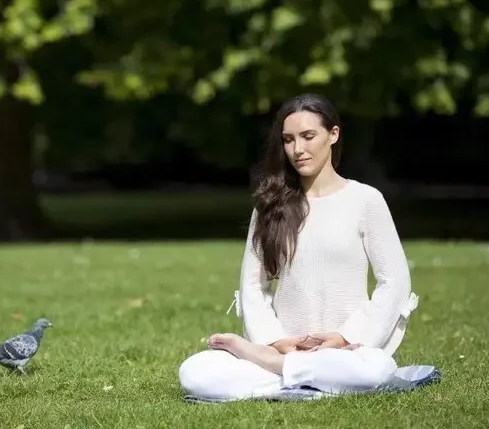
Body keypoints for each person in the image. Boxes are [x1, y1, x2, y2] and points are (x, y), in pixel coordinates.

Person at [178, 93, 419, 401]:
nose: (298, 149)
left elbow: (395, 282)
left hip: (345, 352)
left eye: (308, 136)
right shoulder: (269, 206)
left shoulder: (366, 201)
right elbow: (253, 286)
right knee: (195, 371)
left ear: (333, 135)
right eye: (289, 140)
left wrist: (347, 337)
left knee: (377, 369)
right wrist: (275, 341)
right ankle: (301, 375)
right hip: (280, 347)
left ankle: (284, 373)